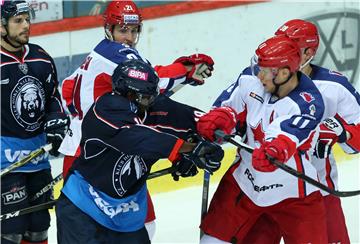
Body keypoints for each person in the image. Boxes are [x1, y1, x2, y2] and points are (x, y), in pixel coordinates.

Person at [58, 0, 214, 239]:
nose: (129, 37)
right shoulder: (117, 54)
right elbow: (153, 83)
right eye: (123, 30)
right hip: (95, 154)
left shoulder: (99, 52)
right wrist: (186, 70)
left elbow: (67, 89)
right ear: (108, 29)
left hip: (90, 145)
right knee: (134, 223)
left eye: (134, 30)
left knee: (137, 220)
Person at [55, 59, 224, 244]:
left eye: (151, 95)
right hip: (84, 210)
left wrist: (208, 135)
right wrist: (185, 149)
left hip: (128, 214)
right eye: (144, 97)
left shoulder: (154, 107)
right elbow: (138, 138)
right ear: (127, 95)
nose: (150, 101)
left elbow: (195, 120)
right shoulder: (105, 109)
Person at [196, 35, 329, 243]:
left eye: (265, 71)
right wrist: (220, 118)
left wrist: (276, 149)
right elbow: (229, 107)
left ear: (284, 73)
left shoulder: (308, 103)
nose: (259, 75)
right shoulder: (250, 80)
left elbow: (287, 134)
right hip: (244, 184)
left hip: (294, 195)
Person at [239, 19, 360, 244]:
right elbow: (232, 110)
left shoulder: (334, 87)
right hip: (263, 191)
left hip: (317, 192)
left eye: (293, 46)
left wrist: (343, 133)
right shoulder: (258, 79)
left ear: (309, 52)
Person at [0, 1, 68, 244]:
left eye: (27, 19)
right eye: (18, 21)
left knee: (39, 226)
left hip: (38, 159)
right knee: (11, 230)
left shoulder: (41, 57)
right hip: (5, 164)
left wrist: (57, 121)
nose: (26, 25)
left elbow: (52, 98)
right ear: (1, 26)